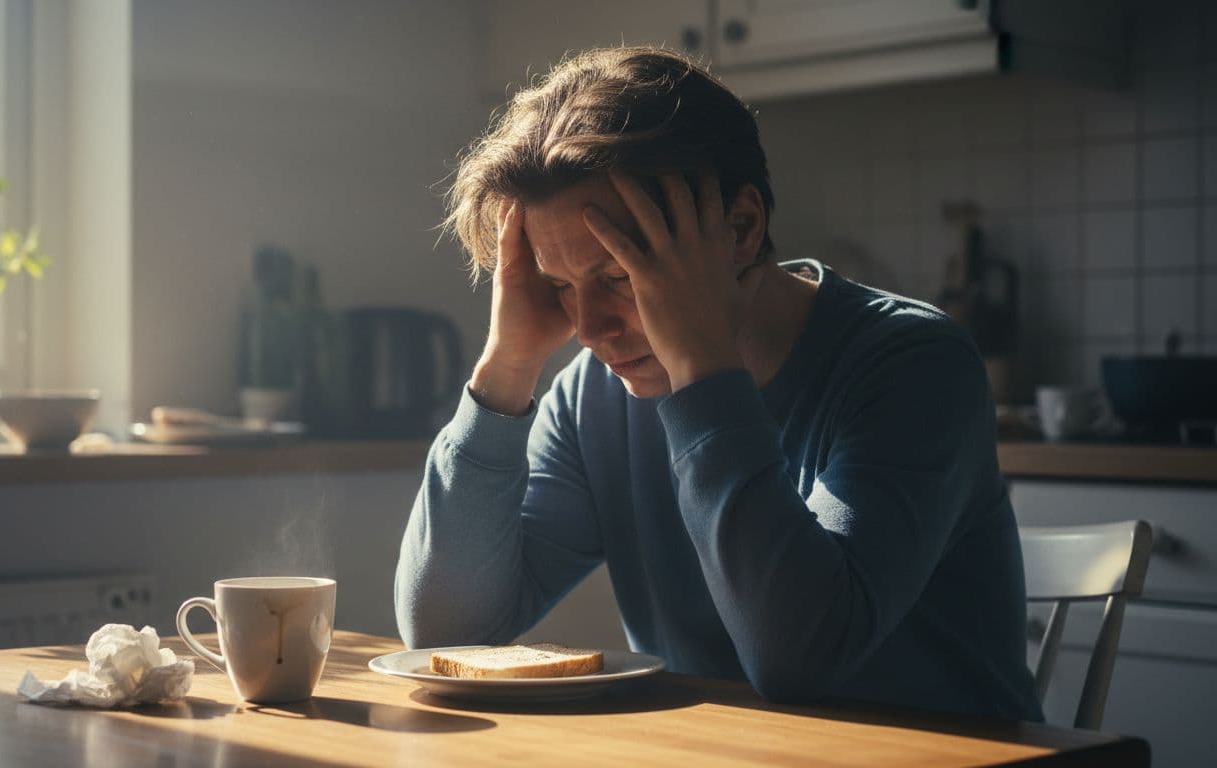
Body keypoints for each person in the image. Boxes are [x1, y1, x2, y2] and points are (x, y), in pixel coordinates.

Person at [395, 46, 1042, 721]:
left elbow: (798, 658)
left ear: (739, 228)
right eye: (561, 287)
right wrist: (507, 364)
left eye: (618, 277)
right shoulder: (596, 395)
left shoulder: (913, 364)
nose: (588, 329)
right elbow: (447, 632)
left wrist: (701, 366)